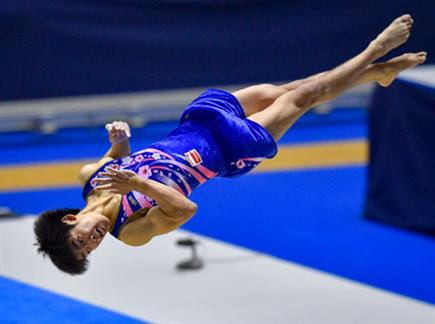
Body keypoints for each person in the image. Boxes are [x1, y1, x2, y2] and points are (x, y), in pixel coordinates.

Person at [34, 15, 426, 275]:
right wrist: (138, 186)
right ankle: (376, 51)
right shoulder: (131, 233)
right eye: (89, 251)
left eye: (80, 240)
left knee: (287, 89)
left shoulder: (92, 177)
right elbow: (185, 208)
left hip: (198, 123)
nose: (93, 241)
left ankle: (378, 75)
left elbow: (118, 157)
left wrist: (119, 141)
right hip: (229, 151)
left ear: (71, 220)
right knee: (302, 98)